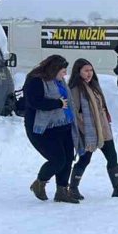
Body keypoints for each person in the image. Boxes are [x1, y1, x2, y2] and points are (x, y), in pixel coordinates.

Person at [68, 58, 118, 200]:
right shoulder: (76, 89)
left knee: (112, 157)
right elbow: (75, 113)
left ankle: (117, 188)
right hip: (89, 131)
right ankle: (72, 188)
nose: (89, 73)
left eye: (91, 70)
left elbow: (101, 106)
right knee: (85, 160)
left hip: (103, 129)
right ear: (78, 72)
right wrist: (86, 129)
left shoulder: (94, 86)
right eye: (86, 70)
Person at [24, 55, 79, 204]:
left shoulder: (58, 81)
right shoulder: (35, 80)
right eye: (62, 71)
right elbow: (34, 102)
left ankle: (62, 191)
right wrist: (57, 104)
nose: (65, 74)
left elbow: (68, 100)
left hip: (64, 124)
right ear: (53, 69)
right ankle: (39, 183)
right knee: (58, 160)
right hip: (42, 128)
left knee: (68, 159)